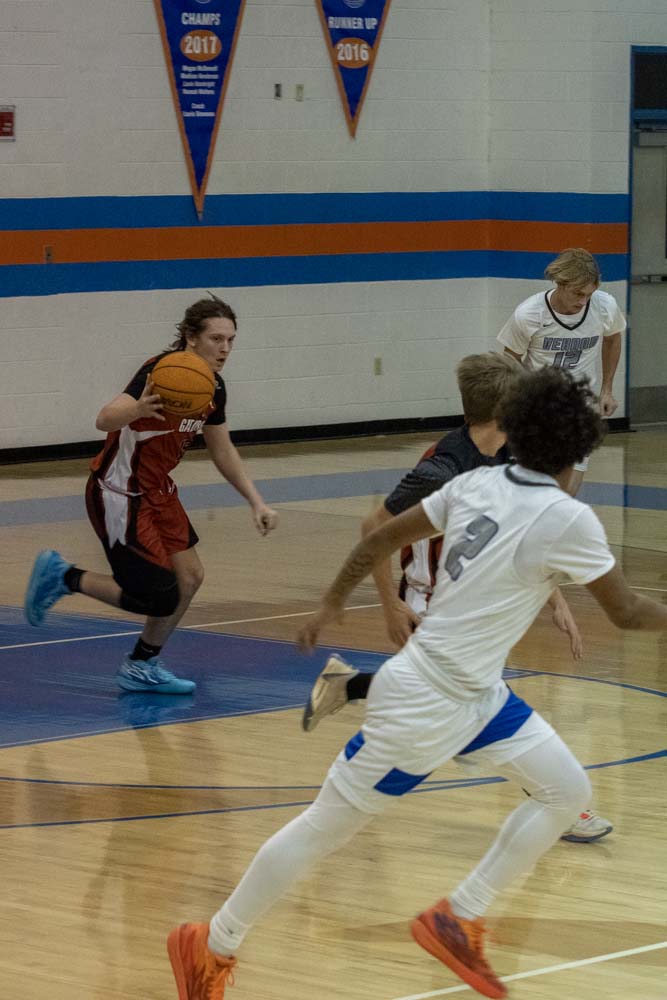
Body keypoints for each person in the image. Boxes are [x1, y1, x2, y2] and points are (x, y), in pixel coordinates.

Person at [167, 369, 667, 1000]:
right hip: (426, 703)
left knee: (566, 791)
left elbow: (379, 536)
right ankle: (211, 943)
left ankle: (457, 917)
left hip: (476, 694)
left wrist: (331, 604)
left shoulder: (478, 483)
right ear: (577, 448)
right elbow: (625, 613)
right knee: (325, 828)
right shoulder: (566, 517)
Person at [303, 352, 611, 844]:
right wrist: (389, 604)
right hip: (431, 599)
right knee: (477, 708)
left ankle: (348, 688)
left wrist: (557, 601)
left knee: (469, 707)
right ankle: (560, 802)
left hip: (469, 599)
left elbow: (528, 535)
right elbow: (372, 527)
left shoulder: (510, 455)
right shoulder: (443, 466)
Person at [24, 295, 278, 694]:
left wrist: (255, 500)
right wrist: (137, 409)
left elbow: (222, 448)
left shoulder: (213, 388)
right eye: (216, 339)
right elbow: (103, 419)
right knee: (158, 597)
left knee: (190, 578)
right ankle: (64, 576)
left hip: (158, 491)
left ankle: (141, 665)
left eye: (231, 340)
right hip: (118, 492)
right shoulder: (160, 374)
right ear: (191, 338)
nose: (225, 348)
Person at [497, 246, 626, 496]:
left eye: (589, 294)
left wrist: (607, 388)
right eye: (578, 293)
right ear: (560, 283)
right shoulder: (529, 314)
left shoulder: (604, 306)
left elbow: (613, 337)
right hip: (539, 405)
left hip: (580, 409)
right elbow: (510, 359)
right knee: (533, 487)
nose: (583, 301)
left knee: (567, 492)